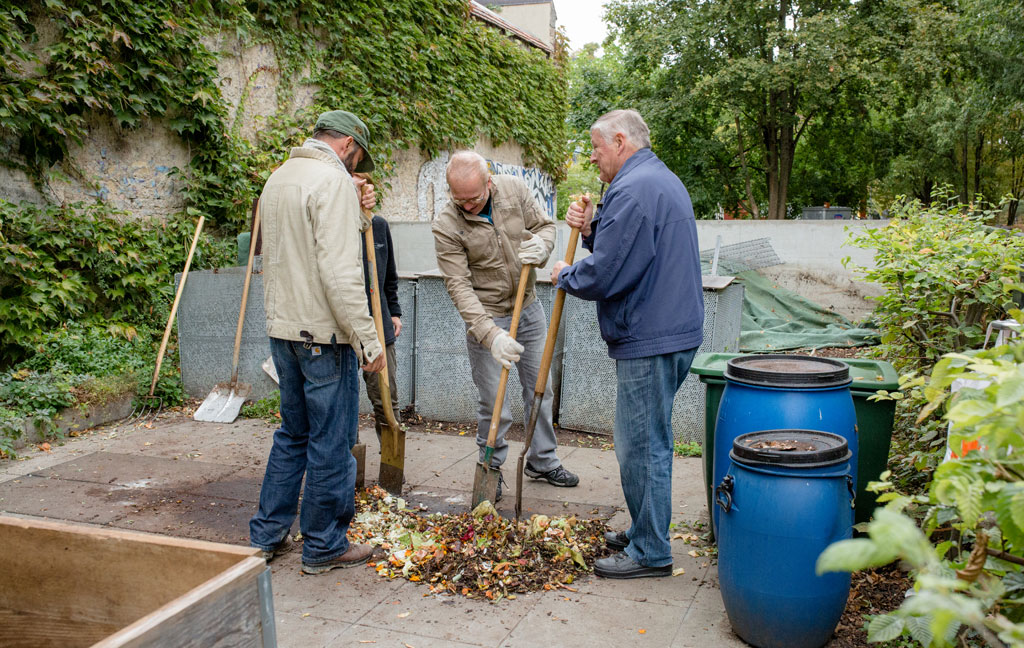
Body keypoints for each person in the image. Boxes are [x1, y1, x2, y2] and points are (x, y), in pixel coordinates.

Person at [551, 109, 704, 579]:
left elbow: (608, 271)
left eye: (596, 148)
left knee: (641, 446)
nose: (592, 158)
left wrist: (565, 274)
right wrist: (592, 228)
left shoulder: (633, 189)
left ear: (620, 141)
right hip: (670, 328)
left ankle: (650, 551)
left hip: (651, 334)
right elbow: (628, 247)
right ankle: (644, 530)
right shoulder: (655, 180)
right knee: (648, 439)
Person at [249, 110, 386, 575]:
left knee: (293, 434)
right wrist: (367, 340)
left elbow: (299, 248)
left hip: (283, 329)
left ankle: (266, 536)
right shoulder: (332, 183)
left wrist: (360, 213)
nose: (356, 167)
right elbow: (339, 271)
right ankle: (325, 544)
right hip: (324, 336)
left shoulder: (279, 178)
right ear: (347, 145)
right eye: (358, 158)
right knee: (331, 441)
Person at [432, 150, 579, 501]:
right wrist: (490, 335)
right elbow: (459, 286)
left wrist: (541, 247)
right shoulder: (446, 225)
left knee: (540, 389)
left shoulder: (514, 190)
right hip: (487, 316)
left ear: (489, 181)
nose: (468, 206)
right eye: (460, 200)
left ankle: (542, 460)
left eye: (474, 198)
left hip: (527, 307)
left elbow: (545, 227)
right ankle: (491, 467)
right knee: (492, 401)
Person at [361, 213, 402, 442]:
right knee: (343, 401)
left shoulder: (378, 225)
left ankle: (390, 453)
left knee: (386, 397)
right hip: (343, 327)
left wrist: (394, 311)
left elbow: (389, 275)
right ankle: (347, 455)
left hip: (378, 321)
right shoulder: (334, 222)